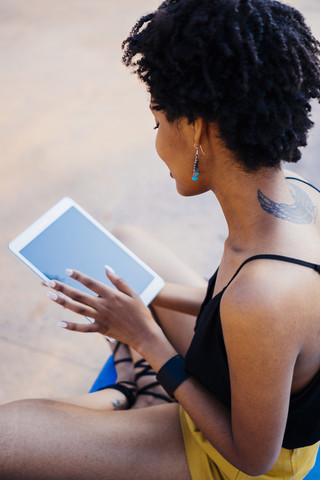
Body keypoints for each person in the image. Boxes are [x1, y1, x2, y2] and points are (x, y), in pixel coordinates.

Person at [1, 0, 320, 478]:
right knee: (127, 245)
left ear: (194, 128)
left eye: (157, 121)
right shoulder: (297, 197)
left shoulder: (265, 297)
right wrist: (141, 295)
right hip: (243, 373)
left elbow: (254, 459)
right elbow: (228, 303)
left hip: (233, 454)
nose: (156, 140)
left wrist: (147, 340)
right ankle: (142, 386)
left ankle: (134, 391)